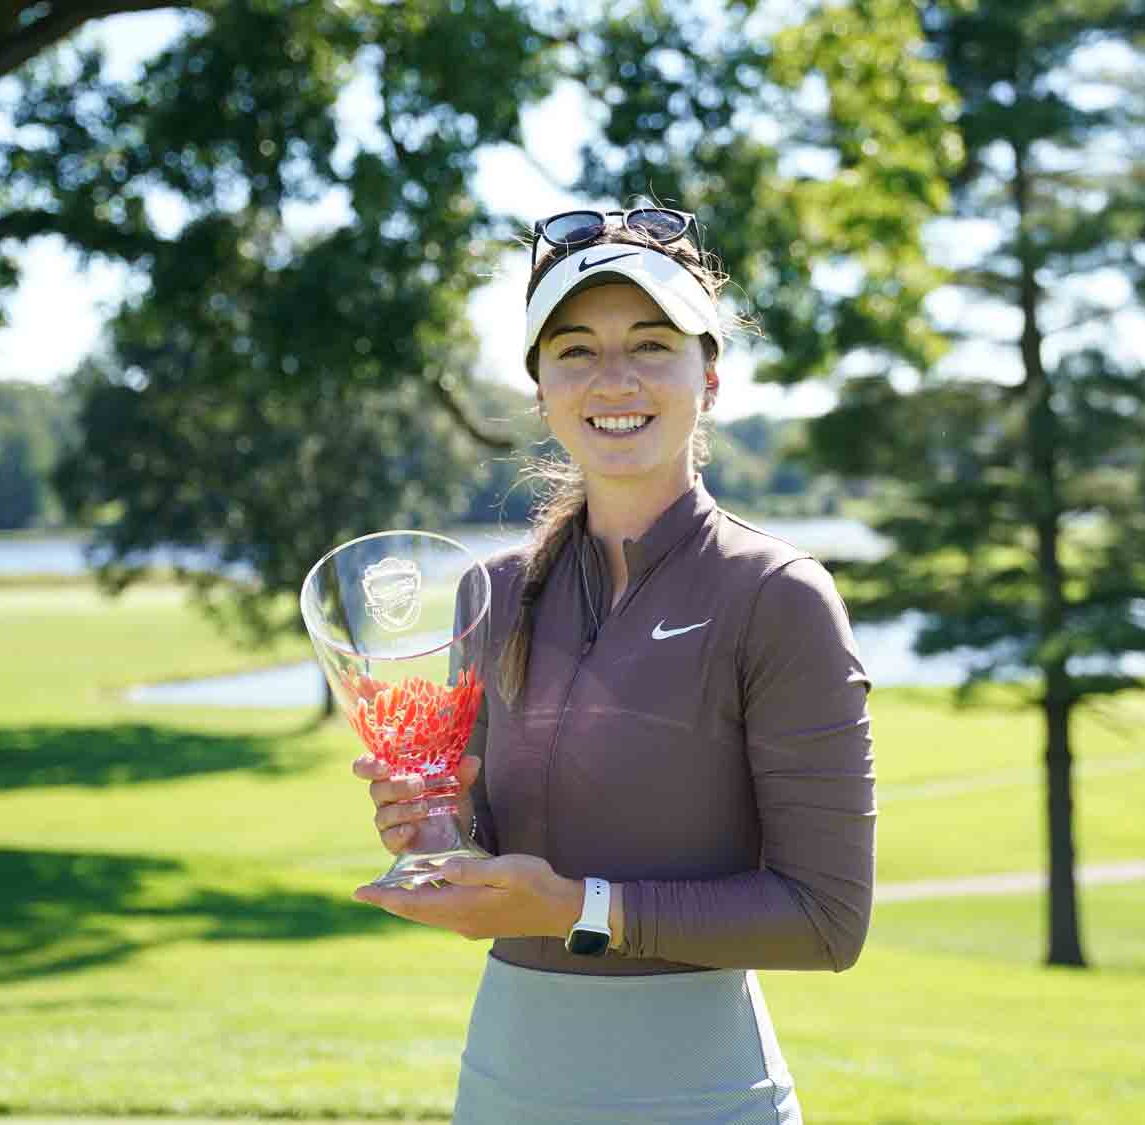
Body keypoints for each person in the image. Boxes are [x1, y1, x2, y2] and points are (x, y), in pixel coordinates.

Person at [349, 206, 876, 1125]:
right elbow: (486, 846)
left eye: (651, 343)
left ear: (708, 376)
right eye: (577, 350)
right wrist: (430, 832)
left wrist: (575, 908)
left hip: (704, 1095)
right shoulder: (495, 595)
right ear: (542, 388)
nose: (614, 378)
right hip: (504, 1088)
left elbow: (827, 920)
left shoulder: (778, 595)